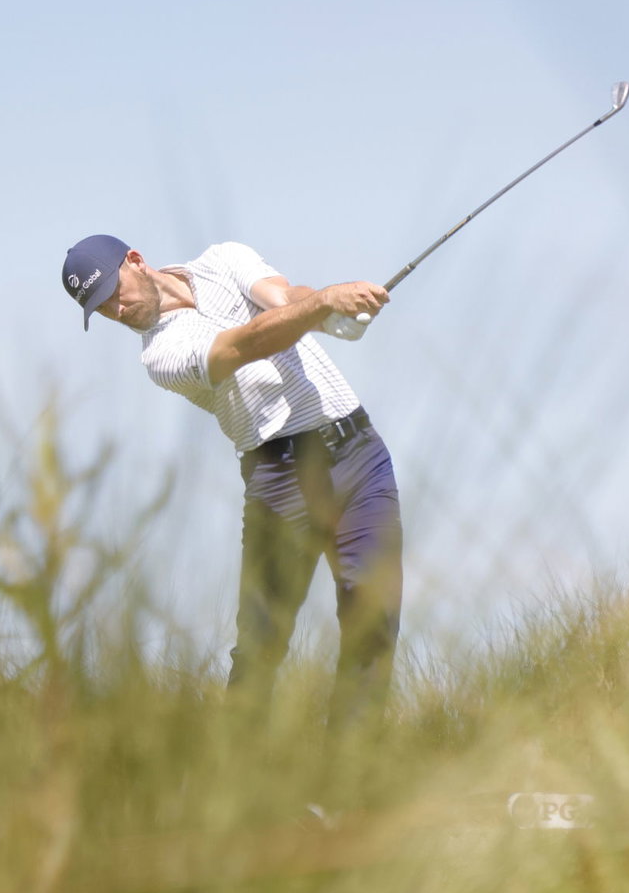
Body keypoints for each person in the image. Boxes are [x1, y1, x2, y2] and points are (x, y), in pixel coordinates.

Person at [60, 234, 403, 734]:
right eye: (102, 308)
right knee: (263, 646)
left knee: (373, 619)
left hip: (359, 454)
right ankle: (233, 787)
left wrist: (331, 311)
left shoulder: (223, 259)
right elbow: (246, 343)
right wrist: (326, 302)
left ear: (136, 261)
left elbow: (285, 299)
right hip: (280, 479)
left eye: (114, 291)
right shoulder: (161, 356)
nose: (117, 309)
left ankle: (343, 794)